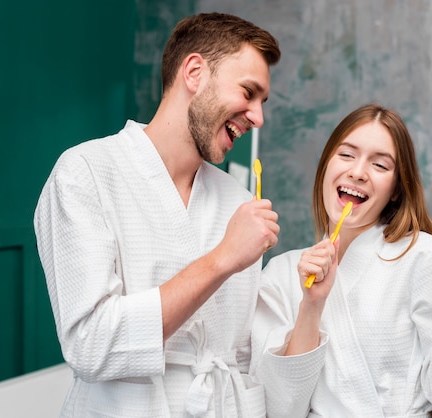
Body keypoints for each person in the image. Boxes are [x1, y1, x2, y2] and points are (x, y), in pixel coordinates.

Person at [34, 12, 280, 417]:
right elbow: (90, 345)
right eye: (248, 92)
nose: (258, 117)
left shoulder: (238, 201)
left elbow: (242, 357)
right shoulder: (85, 173)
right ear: (195, 73)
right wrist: (221, 260)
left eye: (262, 102)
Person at [251, 103, 432, 418]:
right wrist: (312, 306)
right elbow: (280, 408)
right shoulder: (281, 273)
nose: (357, 172)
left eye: (380, 165)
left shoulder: (422, 256)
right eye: (346, 155)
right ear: (325, 166)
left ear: (397, 189)